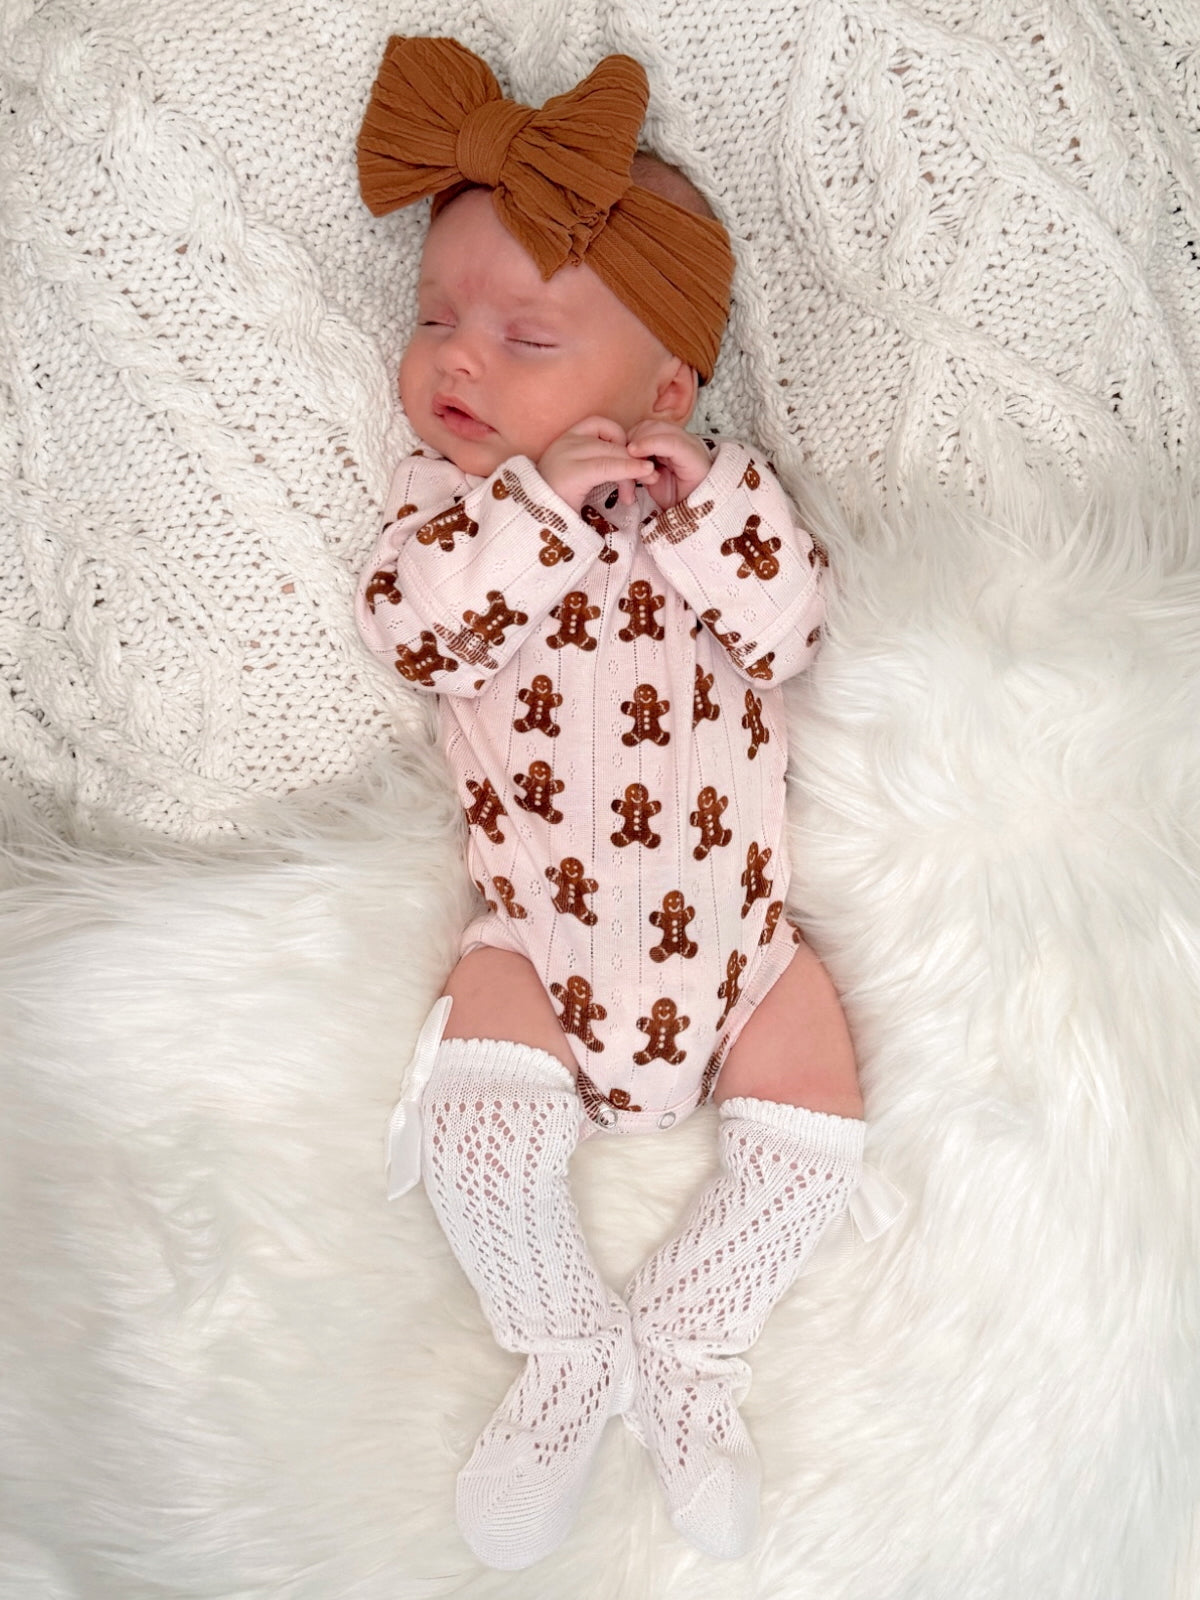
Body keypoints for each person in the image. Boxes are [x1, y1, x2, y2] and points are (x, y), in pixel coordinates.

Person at [354, 36, 900, 1571]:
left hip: (740, 953)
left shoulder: (716, 503)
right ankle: (560, 1348)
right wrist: (537, 510)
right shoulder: (453, 513)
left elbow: (791, 630)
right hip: (538, 937)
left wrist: (706, 502)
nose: (459, 361)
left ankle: (692, 1338)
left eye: (526, 335)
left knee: (819, 1084)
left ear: (665, 385)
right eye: (436, 319)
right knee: (479, 1093)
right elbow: (414, 631)